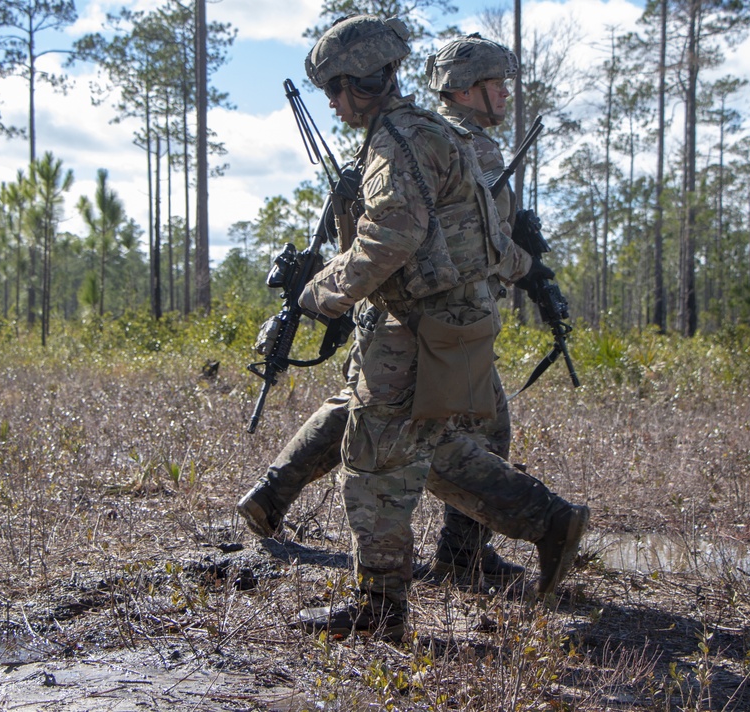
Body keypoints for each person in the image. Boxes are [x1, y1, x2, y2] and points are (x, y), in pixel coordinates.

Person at [279, 14, 589, 641]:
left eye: (334, 91)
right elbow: (479, 239)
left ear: (353, 83)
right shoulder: (420, 133)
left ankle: (381, 610)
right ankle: (546, 522)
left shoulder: (401, 139)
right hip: (440, 325)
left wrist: (320, 296)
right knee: (429, 451)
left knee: (373, 467)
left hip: (414, 330)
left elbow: (392, 235)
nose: (333, 105)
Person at [237, 34, 533, 589]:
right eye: (497, 86)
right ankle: (479, 549)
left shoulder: (408, 134)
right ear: (467, 90)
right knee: (453, 437)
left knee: (371, 418)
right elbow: (441, 239)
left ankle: (274, 497)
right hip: (432, 316)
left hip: (420, 312)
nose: (505, 96)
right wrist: (519, 264)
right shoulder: (439, 139)